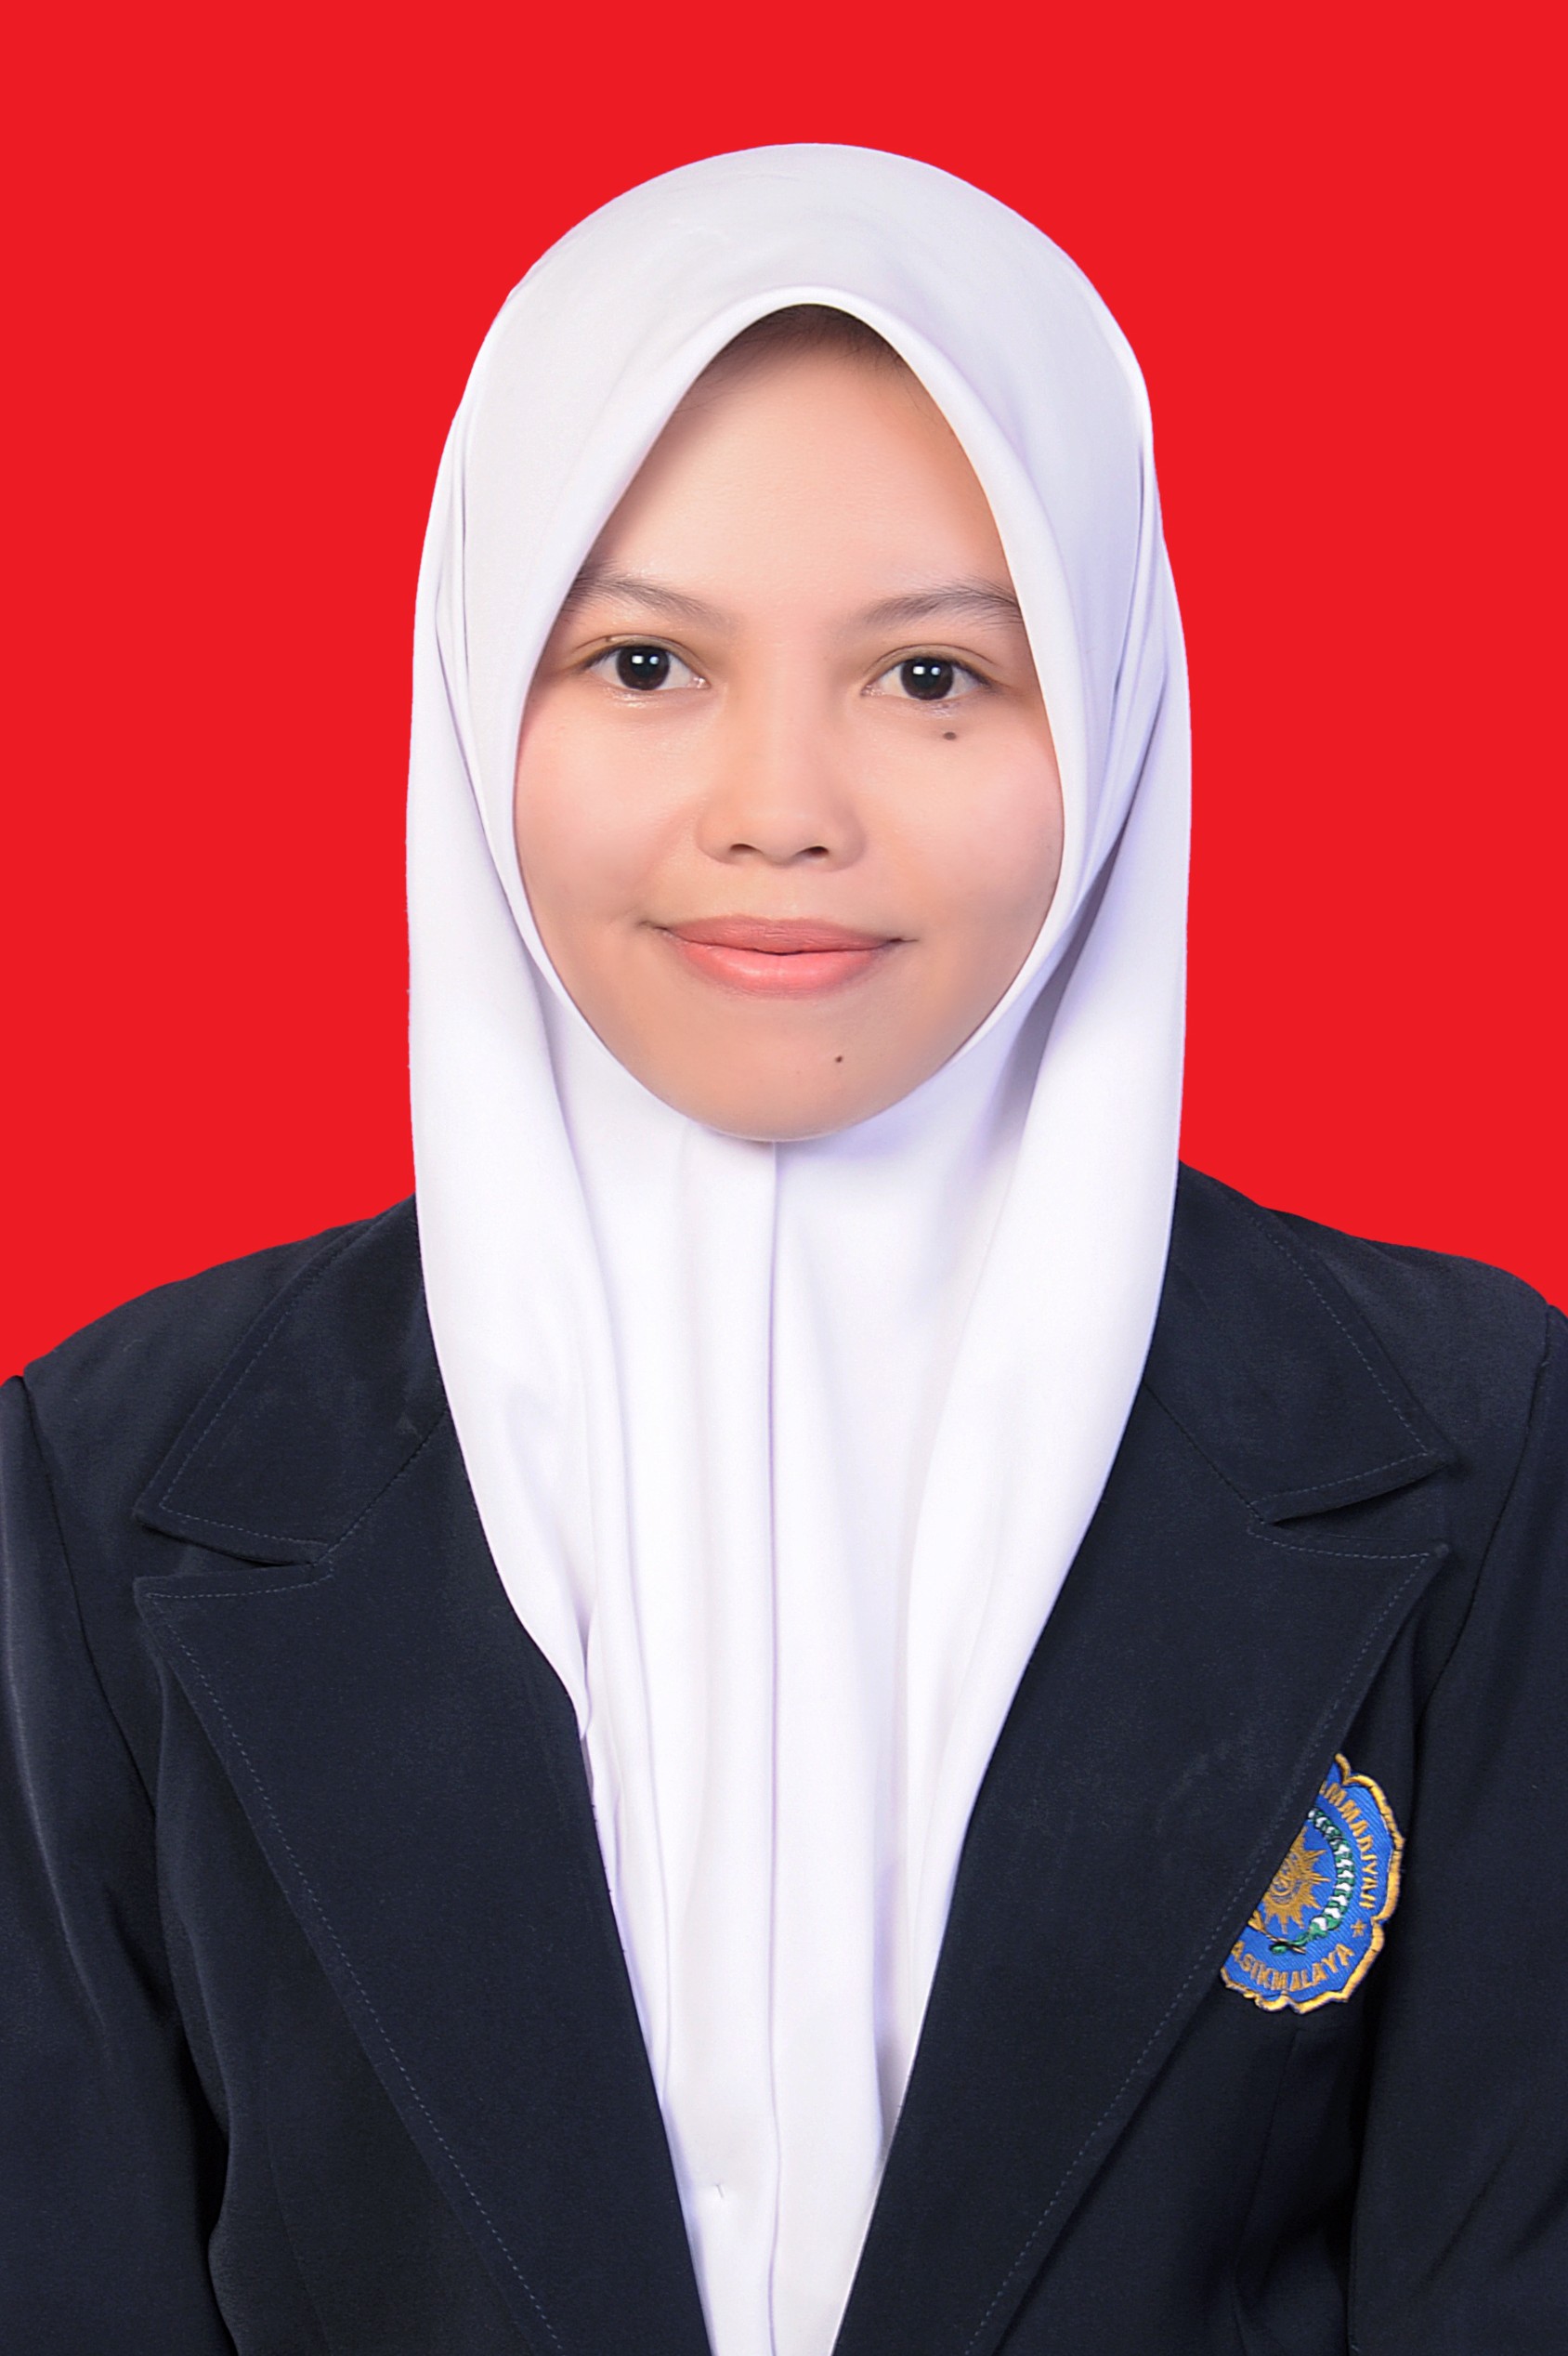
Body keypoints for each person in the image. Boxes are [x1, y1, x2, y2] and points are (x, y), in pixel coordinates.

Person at [2, 144, 1564, 2356]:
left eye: (931, 674)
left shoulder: (1474, 1443)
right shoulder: (110, 1477)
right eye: (644, 659)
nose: (780, 809)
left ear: (1112, 697)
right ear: (476, 684)